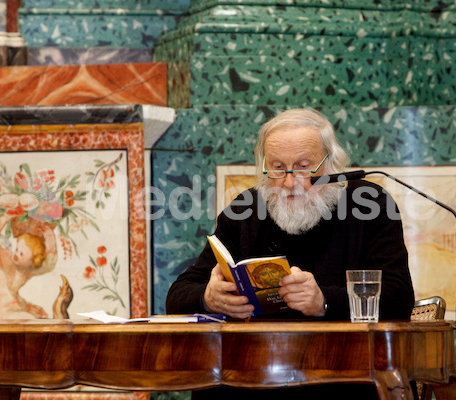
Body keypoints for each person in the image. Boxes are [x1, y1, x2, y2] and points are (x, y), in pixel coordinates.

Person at [166, 108, 415, 399]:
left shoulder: (369, 205)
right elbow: (178, 295)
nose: (288, 181)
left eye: (303, 167)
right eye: (277, 167)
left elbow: (399, 298)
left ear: (331, 165)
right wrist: (209, 298)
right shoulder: (245, 210)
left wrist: (324, 301)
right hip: (249, 378)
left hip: (340, 377)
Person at [0, 212, 58, 319]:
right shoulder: (5, 258)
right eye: (17, 249)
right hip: (3, 308)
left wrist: (50, 238)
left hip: (17, 303)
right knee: (31, 320)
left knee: (41, 316)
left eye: (22, 254)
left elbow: (49, 265)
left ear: (32, 263)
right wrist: (5, 217)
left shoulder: (27, 269)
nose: (16, 254)